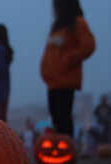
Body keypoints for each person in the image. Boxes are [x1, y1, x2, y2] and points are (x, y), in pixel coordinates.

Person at [41, 0, 95, 137]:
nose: (56, 9)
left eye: (59, 5)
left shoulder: (78, 23)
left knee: (64, 117)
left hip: (66, 80)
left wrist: (68, 59)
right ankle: (59, 148)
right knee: (56, 118)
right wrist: (44, 69)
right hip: (52, 82)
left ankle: (68, 150)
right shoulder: (56, 27)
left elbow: (88, 46)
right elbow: (48, 52)